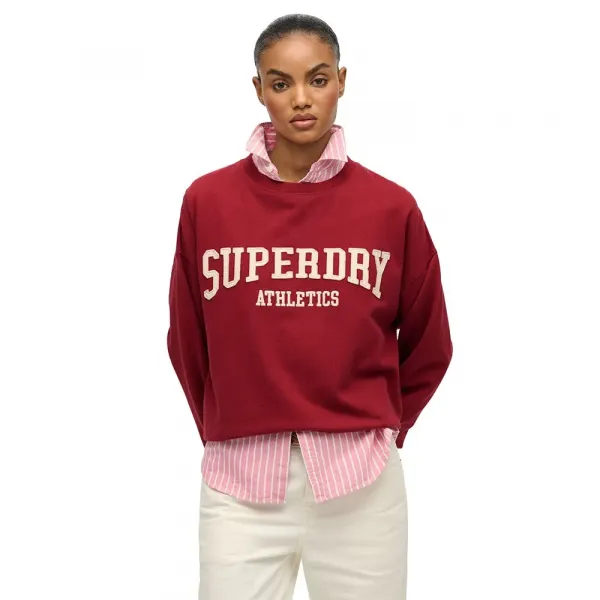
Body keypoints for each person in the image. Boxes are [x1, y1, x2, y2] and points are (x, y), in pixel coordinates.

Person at [166, 13, 453, 600]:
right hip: (239, 485)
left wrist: (382, 426)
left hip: (361, 484)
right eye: (281, 82)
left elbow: (431, 343)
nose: (301, 98)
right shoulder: (207, 201)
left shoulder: (391, 207)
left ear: (342, 80)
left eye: (318, 79)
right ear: (258, 89)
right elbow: (187, 337)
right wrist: (225, 422)